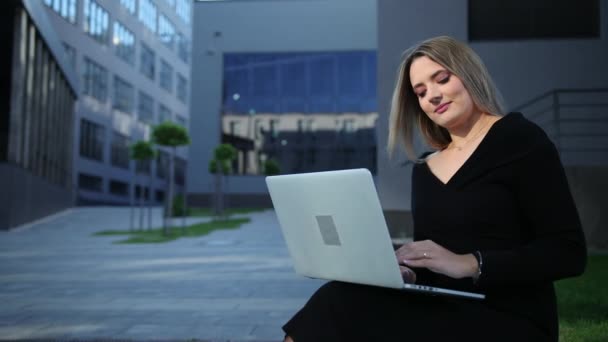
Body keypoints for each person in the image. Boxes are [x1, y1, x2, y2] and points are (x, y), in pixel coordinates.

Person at [281, 36, 587, 341]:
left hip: (508, 315)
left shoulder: (520, 139)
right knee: (335, 300)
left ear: (469, 74)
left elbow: (567, 252)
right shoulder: (424, 169)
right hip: (440, 305)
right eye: (421, 92)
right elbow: (433, 258)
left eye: (442, 79)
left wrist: (471, 263)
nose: (433, 96)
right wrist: (409, 273)